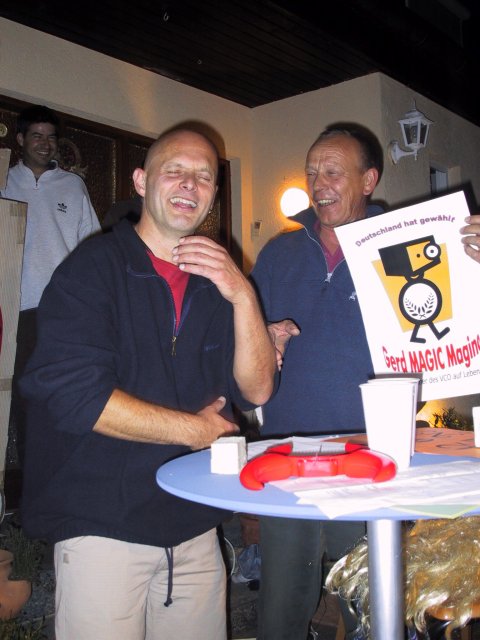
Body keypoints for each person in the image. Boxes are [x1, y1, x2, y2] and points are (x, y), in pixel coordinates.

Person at [19, 127, 277, 640]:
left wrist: (243, 295)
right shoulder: (92, 270)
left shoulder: (216, 281)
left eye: (203, 176)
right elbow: (77, 398)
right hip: (103, 529)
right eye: (174, 170)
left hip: (195, 529)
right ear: (140, 181)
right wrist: (195, 431)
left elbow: (258, 390)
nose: (190, 184)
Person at [250, 123, 480, 640]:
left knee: (374, 610)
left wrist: (475, 268)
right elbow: (244, 333)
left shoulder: (410, 244)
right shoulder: (279, 254)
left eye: (333, 172)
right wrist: (261, 335)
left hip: (374, 456)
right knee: (281, 610)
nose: (319, 184)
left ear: (369, 179)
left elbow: (458, 322)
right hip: (288, 455)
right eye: (312, 172)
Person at [0, 104, 100, 469]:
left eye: (51, 137)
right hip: (15, 308)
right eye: (37, 136)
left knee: (63, 391)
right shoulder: (4, 180)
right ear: (20, 139)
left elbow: (90, 246)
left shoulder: (72, 186)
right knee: (22, 396)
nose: (45, 144)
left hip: (62, 309)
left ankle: (66, 475)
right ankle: (28, 481)